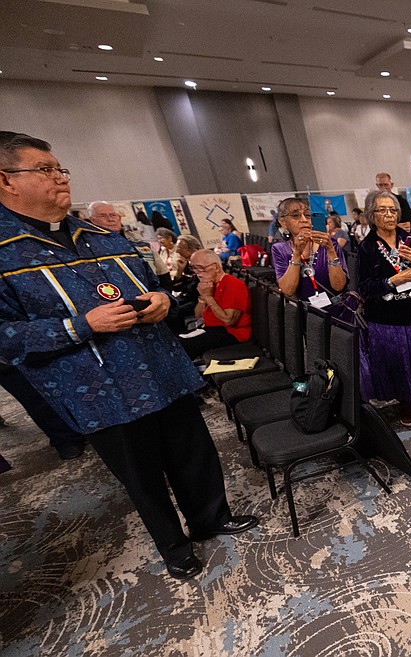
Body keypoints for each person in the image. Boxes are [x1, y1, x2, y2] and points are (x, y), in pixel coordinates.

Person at [0, 131, 257, 579]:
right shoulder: (6, 253)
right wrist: (81, 325)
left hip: (161, 367)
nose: (61, 178)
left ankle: (210, 517)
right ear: (6, 180)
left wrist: (161, 301)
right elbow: (5, 337)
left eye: (61, 169)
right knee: (141, 475)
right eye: (45, 169)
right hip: (101, 388)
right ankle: (174, 548)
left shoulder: (101, 236)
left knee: (193, 451)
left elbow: (151, 286)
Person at [357, 190, 411, 427]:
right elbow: (363, 288)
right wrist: (393, 281)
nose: (389, 215)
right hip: (385, 318)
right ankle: (404, 403)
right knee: (395, 362)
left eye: (393, 210)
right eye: (382, 210)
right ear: (372, 215)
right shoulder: (366, 247)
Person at [271, 197, 347, 304]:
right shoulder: (280, 249)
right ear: (283, 222)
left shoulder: (329, 244)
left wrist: (330, 251)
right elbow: (287, 291)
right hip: (306, 313)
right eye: (295, 216)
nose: (303, 219)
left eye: (307, 215)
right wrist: (297, 254)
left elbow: (339, 286)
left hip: (335, 308)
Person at [178, 249, 252, 359]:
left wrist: (208, 297)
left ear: (216, 267)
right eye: (194, 268)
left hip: (232, 332)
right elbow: (198, 315)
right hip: (211, 328)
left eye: (201, 268)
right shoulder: (210, 285)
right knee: (176, 340)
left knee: (183, 347)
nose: (198, 273)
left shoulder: (233, 284)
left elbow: (229, 320)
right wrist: (202, 298)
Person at [88, 201, 172, 290]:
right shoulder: (89, 246)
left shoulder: (138, 240)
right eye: (103, 216)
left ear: (119, 218)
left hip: (152, 293)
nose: (110, 219)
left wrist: (166, 295)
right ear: (92, 220)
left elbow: (163, 273)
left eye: (113, 215)